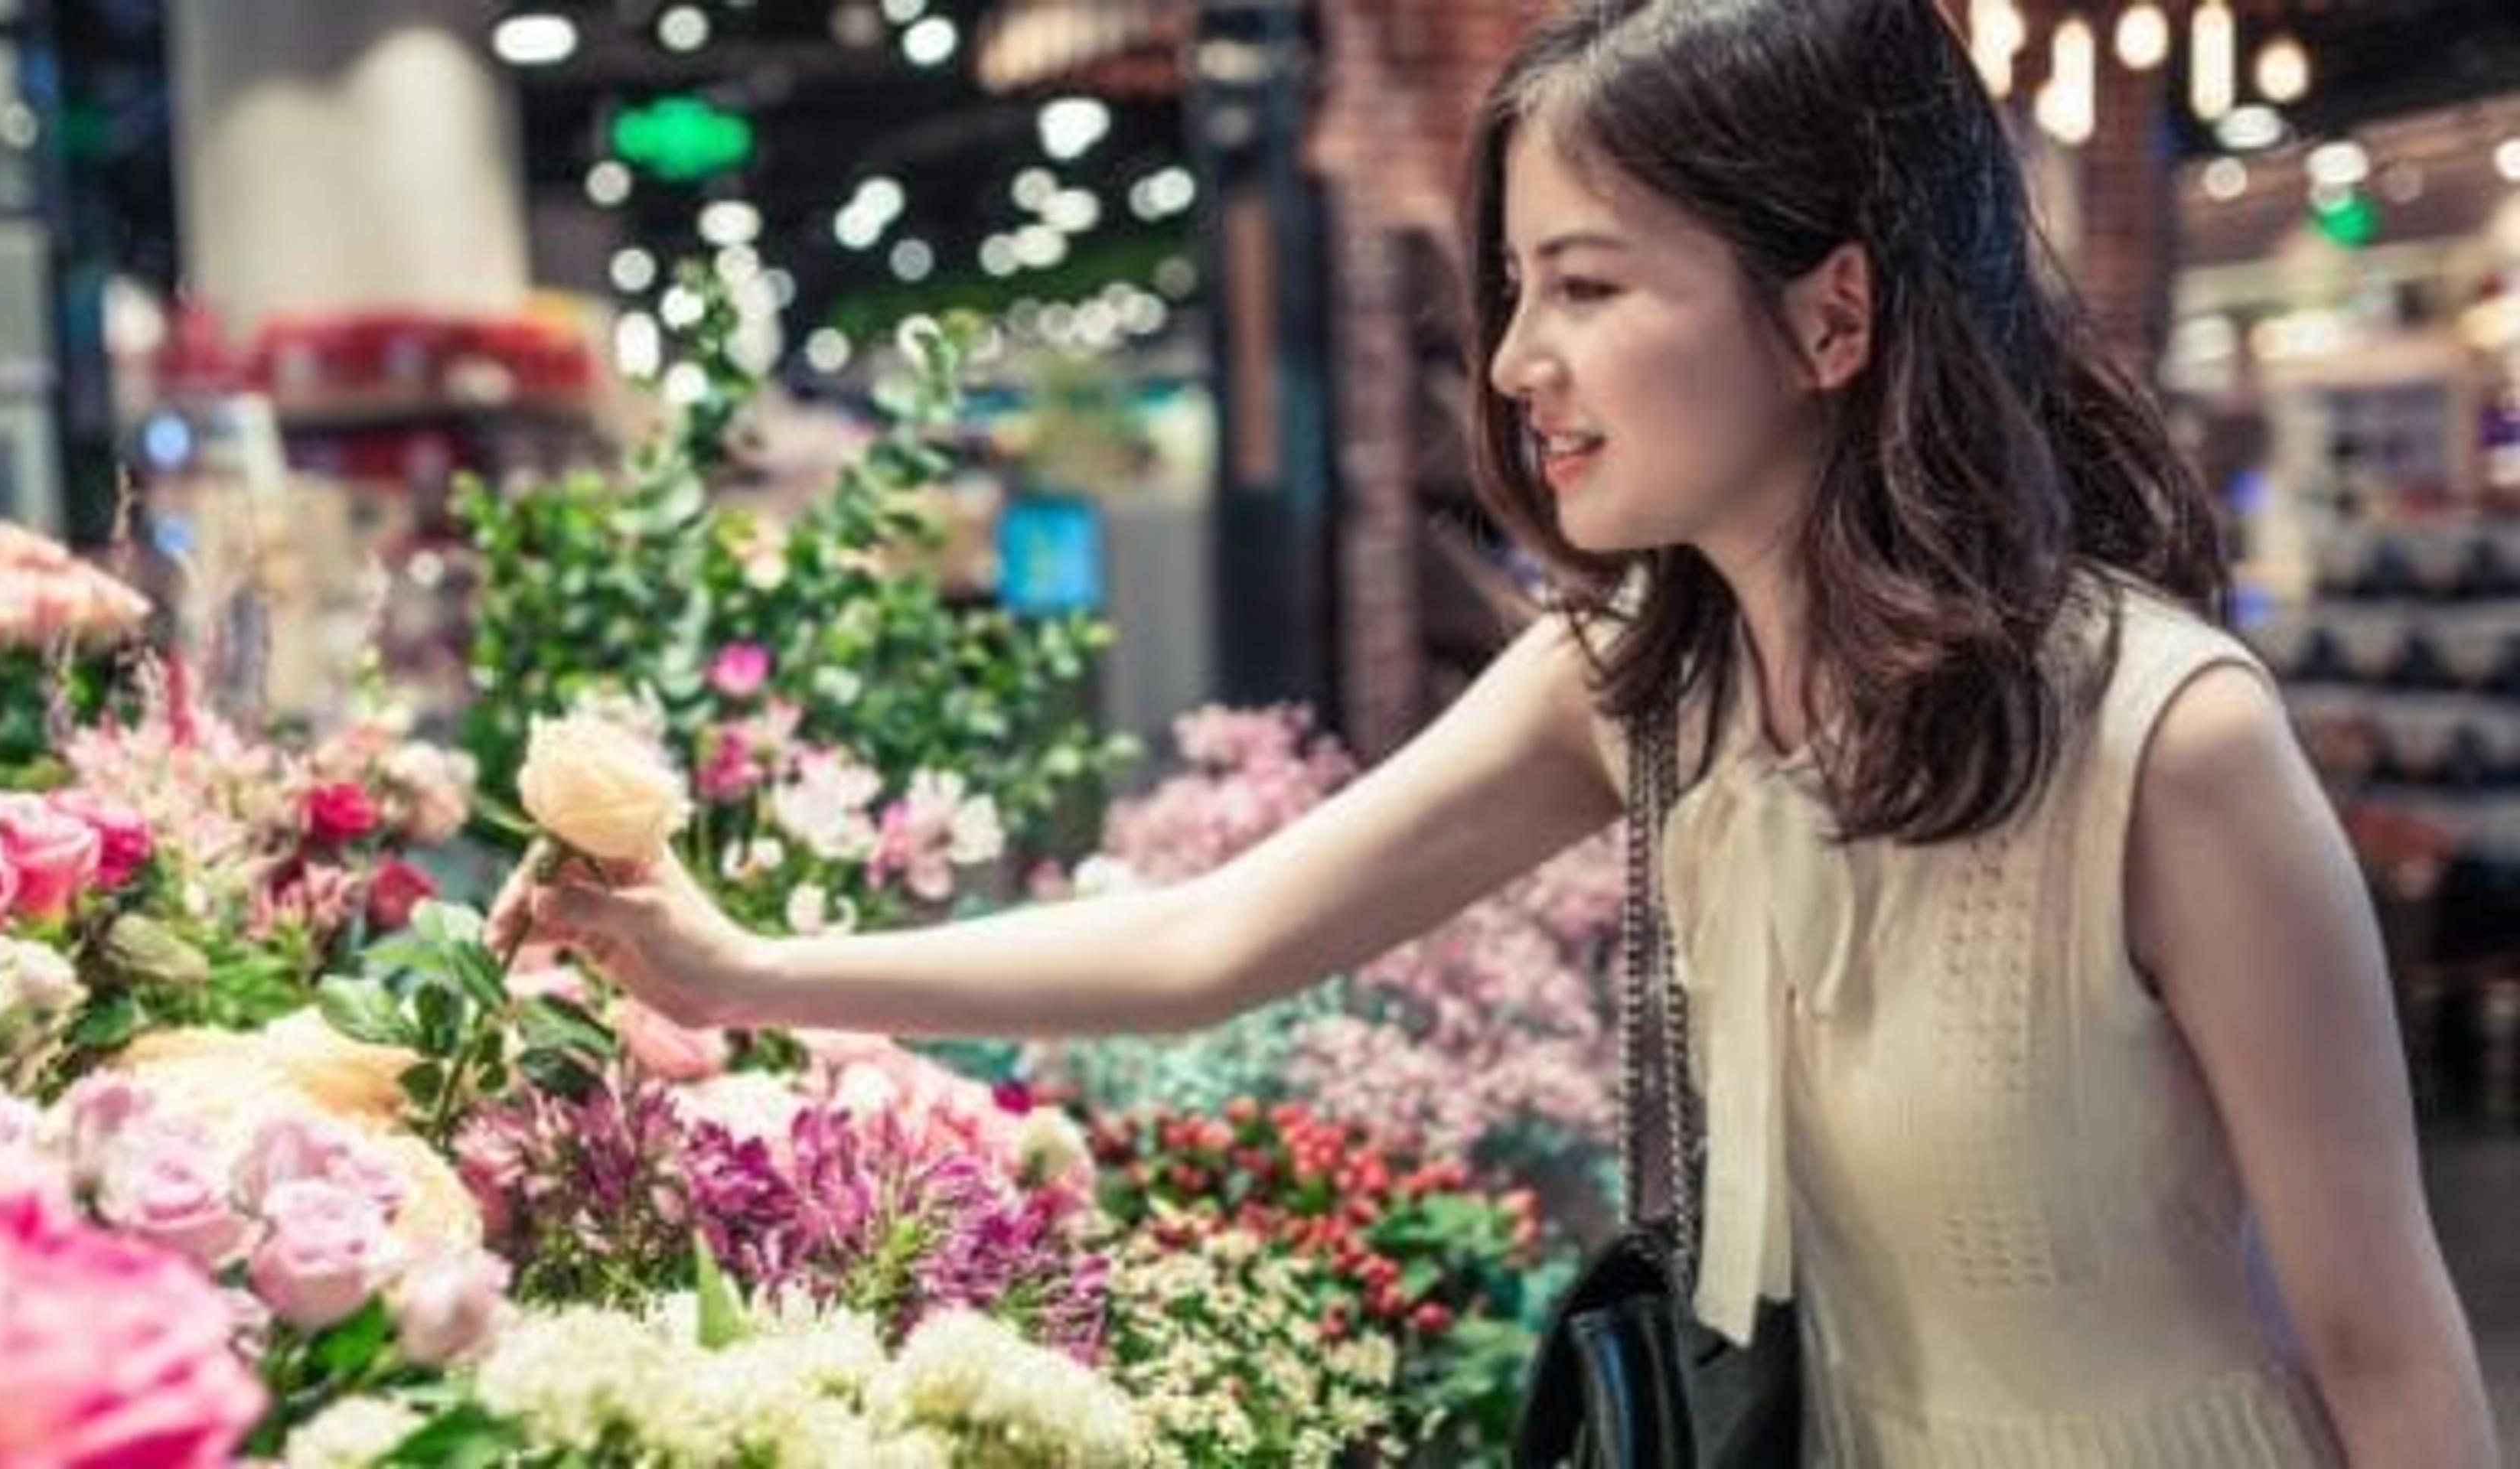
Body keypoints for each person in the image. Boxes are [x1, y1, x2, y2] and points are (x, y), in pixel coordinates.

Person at [493, 1, 2496, 1461]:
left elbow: (2390, 1346)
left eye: (1590, 285)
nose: (1523, 363)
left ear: (1834, 313)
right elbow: (1214, 944)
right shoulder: (1644, 681)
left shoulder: (2168, 742)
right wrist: (733, 966)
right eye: (1516, 289)